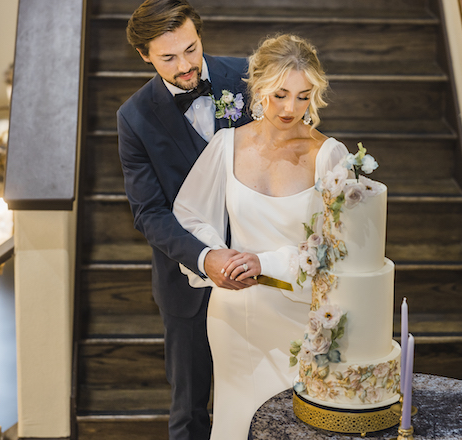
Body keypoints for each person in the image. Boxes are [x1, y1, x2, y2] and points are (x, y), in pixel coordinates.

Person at [172, 34, 351, 439]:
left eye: (304, 96)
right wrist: (222, 257)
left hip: (304, 318)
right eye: (280, 94)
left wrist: (265, 263)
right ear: (257, 87)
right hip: (236, 315)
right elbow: (188, 216)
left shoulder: (330, 156)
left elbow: (340, 250)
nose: (291, 108)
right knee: (236, 424)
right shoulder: (226, 145)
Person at [117, 1, 254, 439]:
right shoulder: (134, 117)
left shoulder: (250, 78)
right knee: (189, 412)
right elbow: (149, 212)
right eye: (168, 58)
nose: (185, 65)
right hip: (185, 284)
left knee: (264, 398)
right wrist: (205, 258)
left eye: (191, 49)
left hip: (260, 266)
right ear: (144, 56)